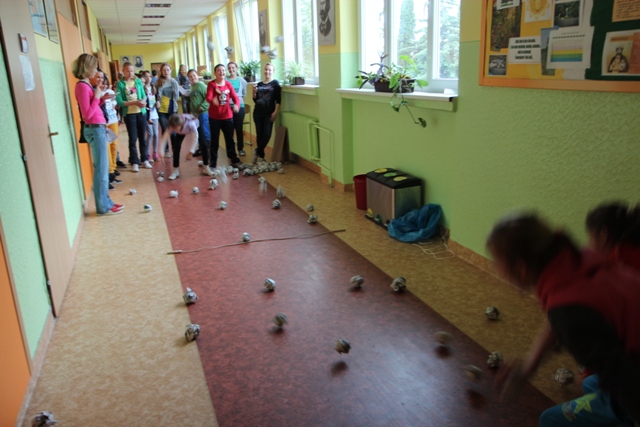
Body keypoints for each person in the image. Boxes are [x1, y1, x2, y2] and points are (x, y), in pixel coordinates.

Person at [487, 212, 640, 427]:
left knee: (550, 420)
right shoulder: (576, 258)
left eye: (498, 262)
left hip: (632, 378)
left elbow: (625, 382)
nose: (497, 269)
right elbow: (560, 318)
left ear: (521, 268)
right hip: (628, 358)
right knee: (590, 383)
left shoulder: (569, 313)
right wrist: (528, 367)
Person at [73, 53, 123, 215]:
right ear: (86, 67)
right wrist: (96, 97)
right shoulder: (82, 86)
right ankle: (102, 206)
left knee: (103, 168)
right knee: (101, 171)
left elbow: (92, 107)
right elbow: (87, 115)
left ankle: (106, 202)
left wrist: (101, 98)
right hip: (94, 129)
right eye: (94, 68)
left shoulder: (87, 85)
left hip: (99, 127)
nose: (95, 71)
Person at [205, 64, 240, 175]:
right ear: (215, 73)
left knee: (230, 140)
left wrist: (237, 105)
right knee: (214, 141)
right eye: (219, 70)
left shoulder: (228, 85)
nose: (222, 72)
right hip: (214, 118)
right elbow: (208, 97)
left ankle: (234, 160)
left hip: (227, 117)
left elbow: (235, 98)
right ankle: (213, 163)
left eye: (223, 70)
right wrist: (212, 100)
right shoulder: (211, 84)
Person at [586, 201, 640, 272]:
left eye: (591, 237)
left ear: (603, 235)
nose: (588, 243)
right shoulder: (633, 247)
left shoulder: (616, 260)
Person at [116, 62, 150, 172]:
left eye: (131, 71)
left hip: (141, 113)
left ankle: (145, 159)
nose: (130, 73)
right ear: (123, 71)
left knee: (142, 137)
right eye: (127, 71)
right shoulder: (120, 84)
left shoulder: (138, 81)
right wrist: (135, 103)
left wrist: (143, 102)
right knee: (133, 138)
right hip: (129, 114)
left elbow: (144, 95)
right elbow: (120, 102)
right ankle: (134, 161)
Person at [95, 71, 121, 187]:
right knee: (107, 146)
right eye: (102, 81)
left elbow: (115, 105)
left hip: (113, 120)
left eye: (105, 82)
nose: (104, 84)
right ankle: (110, 172)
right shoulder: (97, 92)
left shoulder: (110, 92)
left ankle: (113, 169)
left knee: (114, 145)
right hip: (104, 122)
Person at [252, 62, 281, 163]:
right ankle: (261, 156)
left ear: (273, 71)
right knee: (259, 134)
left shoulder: (275, 84)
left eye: (269, 70)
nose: (267, 71)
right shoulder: (259, 84)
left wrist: (276, 112)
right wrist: (254, 92)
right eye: (266, 69)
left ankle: (257, 151)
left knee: (267, 134)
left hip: (269, 113)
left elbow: (278, 100)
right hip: (257, 113)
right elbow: (255, 99)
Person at [159, 113, 199, 180]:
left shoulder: (191, 124)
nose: (173, 130)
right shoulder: (173, 126)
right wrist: (161, 151)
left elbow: (195, 138)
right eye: (173, 128)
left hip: (195, 127)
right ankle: (175, 170)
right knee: (176, 147)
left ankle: (206, 165)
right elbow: (165, 138)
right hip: (181, 131)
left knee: (204, 143)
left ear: (181, 124)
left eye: (175, 128)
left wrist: (191, 151)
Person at [187, 69, 211, 173]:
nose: (192, 78)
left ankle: (209, 158)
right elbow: (194, 98)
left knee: (205, 135)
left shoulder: (201, 85)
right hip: (196, 115)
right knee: (200, 135)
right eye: (190, 76)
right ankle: (204, 155)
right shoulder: (192, 87)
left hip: (203, 114)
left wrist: (202, 106)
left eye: (194, 75)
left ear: (197, 75)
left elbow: (208, 97)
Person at [155, 62, 180, 143]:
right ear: (161, 71)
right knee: (164, 128)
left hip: (172, 108)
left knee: (173, 128)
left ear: (170, 70)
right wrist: (157, 101)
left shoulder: (174, 82)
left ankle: (174, 146)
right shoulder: (159, 82)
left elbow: (176, 96)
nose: (166, 72)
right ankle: (165, 147)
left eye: (168, 70)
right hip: (161, 109)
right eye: (164, 70)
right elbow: (154, 93)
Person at [227, 61, 248, 157]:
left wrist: (238, 104)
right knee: (229, 129)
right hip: (228, 108)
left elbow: (244, 94)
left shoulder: (242, 81)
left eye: (233, 67)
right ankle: (231, 150)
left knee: (239, 128)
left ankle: (240, 149)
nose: (231, 69)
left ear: (236, 68)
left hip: (240, 107)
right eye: (229, 68)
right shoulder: (225, 80)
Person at [142, 70, 160, 162]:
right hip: (147, 114)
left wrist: (157, 102)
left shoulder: (153, 87)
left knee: (156, 134)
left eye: (149, 76)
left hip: (154, 113)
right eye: (146, 76)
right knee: (150, 134)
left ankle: (155, 153)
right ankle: (147, 153)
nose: (148, 78)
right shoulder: (142, 89)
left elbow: (156, 98)